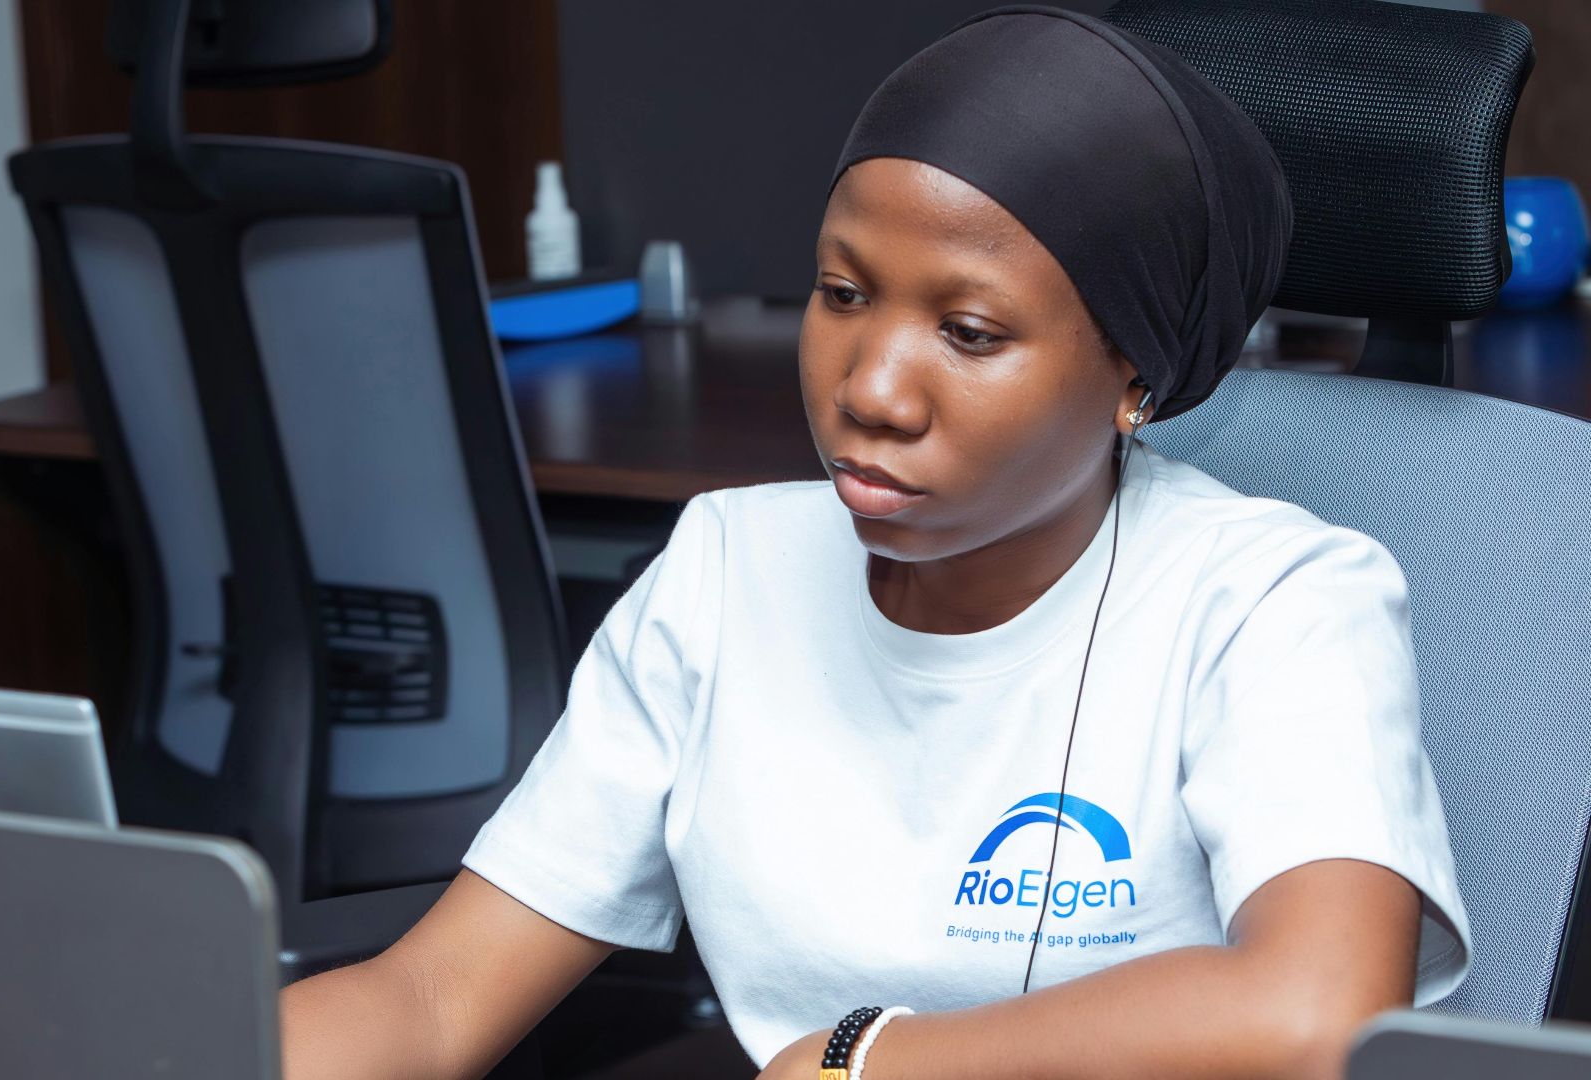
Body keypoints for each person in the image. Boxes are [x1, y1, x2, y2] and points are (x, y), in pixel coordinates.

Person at [278, 6, 1470, 1077]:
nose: (872, 390)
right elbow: (433, 999)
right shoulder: (725, 573)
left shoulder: (1278, 601)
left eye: (969, 331)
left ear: (1136, 379)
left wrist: (864, 1062)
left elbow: (1316, 1018)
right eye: (844, 294)